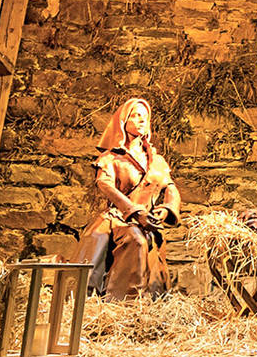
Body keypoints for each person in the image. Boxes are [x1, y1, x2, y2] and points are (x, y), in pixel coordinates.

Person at [73, 97, 181, 300]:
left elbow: (171, 188)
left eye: (145, 117)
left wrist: (167, 209)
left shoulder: (157, 161)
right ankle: (124, 301)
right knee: (136, 240)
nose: (142, 120)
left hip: (148, 219)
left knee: (150, 242)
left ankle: (150, 302)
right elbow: (105, 185)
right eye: (136, 115)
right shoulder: (111, 158)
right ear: (124, 122)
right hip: (118, 217)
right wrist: (133, 210)